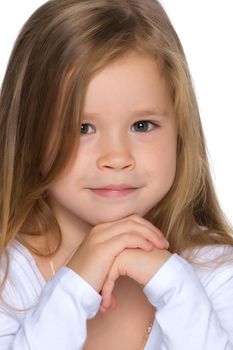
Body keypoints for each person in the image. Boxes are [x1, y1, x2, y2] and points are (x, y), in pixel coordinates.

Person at [0, 0, 233, 349]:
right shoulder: (8, 278)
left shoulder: (216, 272)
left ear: (181, 131)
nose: (117, 158)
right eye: (82, 127)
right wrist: (75, 285)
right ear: (29, 134)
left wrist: (174, 285)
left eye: (142, 125)